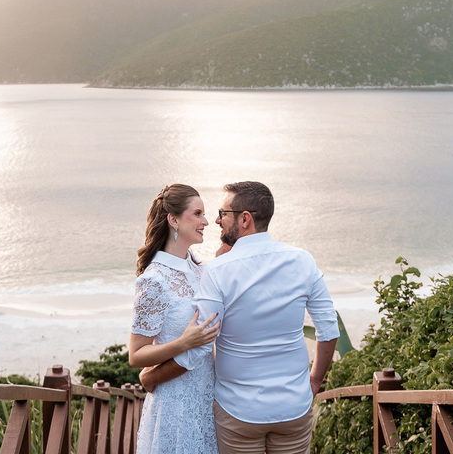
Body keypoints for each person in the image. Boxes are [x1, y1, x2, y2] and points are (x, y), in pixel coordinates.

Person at [142, 181, 339, 454]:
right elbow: (328, 328)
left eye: (223, 213)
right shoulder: (302, 260)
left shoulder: (218, 271)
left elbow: (198, 346)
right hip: (294, 407)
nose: (217, 220)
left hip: (238, 413)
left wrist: (152, 378)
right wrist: (315, 380)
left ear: (244, 219)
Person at [129, 183, 222, 454]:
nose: (205, 221)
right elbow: (137, 355)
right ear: (174, 220)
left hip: (207, 398)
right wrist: (183, 343)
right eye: (198, 214)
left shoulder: (200, 269)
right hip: (175, 402)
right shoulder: (154, 280)